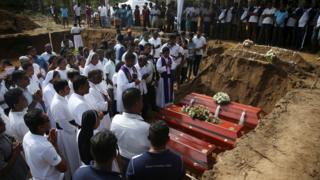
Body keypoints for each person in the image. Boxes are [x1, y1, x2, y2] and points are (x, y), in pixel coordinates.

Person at [111, 88, 150, 174]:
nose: (142, 103)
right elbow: (150, 146)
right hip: (140, 165)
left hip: (121, 160)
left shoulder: (115, 119)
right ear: (137, 104)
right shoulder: (145, 127)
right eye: (141, 101)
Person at [23, 109, 67, 180]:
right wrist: (54, 145)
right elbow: (63, 168)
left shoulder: (26, 137)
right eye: (48, 119)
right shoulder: (45, 147)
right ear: (40, 127)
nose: (49, 119)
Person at [50, 80, 81, 179]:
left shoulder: (63, 98)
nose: (69, 89)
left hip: (71, 130)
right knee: (71, 156)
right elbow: (62, 123)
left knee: (75, 155)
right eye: (67, 88)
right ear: (60, 91)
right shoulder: (56, 103)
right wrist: (74, 129)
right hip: (67, 134)